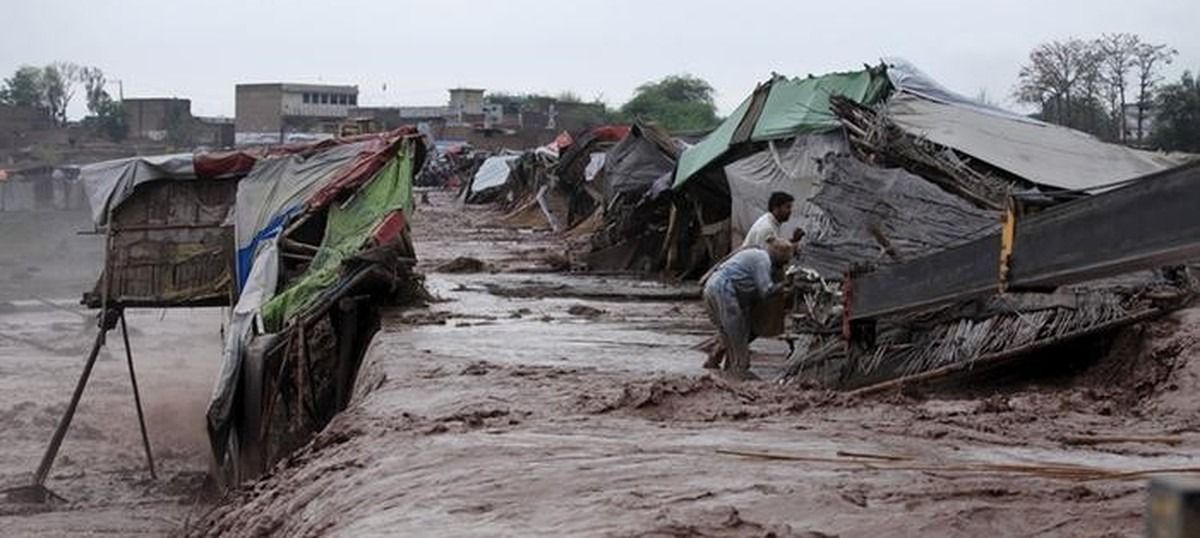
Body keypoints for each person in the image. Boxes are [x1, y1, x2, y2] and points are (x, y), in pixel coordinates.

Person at [701, 238, 794, 380]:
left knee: (729, 335)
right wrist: (786, 285)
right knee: (738, 338)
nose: (785, 265)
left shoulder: (759, 256)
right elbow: (766, 290)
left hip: (714, 288)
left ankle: (719, 370)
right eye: (784, 261)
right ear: (777, 257)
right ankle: (740, 374)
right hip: (723, 290)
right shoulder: (763, 261)